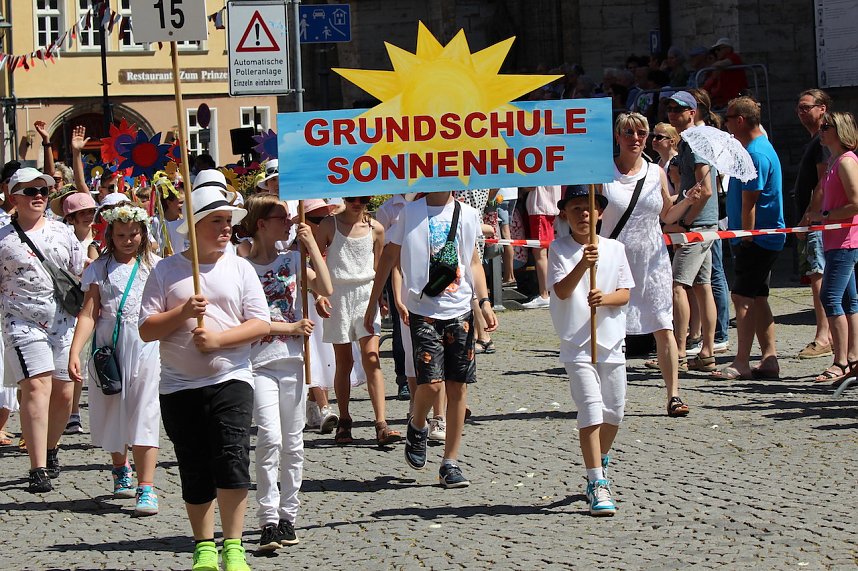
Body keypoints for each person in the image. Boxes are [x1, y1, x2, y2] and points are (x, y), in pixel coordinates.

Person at [139, 183, 270, 571]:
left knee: (232, 458)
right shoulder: (165, 270)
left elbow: (260, 323)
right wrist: (181, 313)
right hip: (179, 385)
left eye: (228, 220)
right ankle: (204, 546)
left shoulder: (239, 267)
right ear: (194, 226)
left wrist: (218, 341)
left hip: (232, 377)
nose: (226, 227)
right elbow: (146, 329)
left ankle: (234, 545)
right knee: (194, 465)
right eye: (216, 221)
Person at [364, 190, 498, 488]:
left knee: (458, 386)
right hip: (423, 308)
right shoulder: (410, 213)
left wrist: (485, 301)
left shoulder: (468, 214)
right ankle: (417, 423)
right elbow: (389, 256)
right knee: (432, 383)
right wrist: (374, 301)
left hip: (460, 309)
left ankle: (450, 462)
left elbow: (473, 262)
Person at [241, 194, 333, 551]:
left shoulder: (293, 260)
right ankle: (267, 518)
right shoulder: (242, 267)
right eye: (282, 218)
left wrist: (312, 248)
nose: (289, 222)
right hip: (258, 362)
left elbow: (325, 287)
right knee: (269, 438)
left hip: (293, 361)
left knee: (293, 442)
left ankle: (287, 516)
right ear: (262, 224)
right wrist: (289, 327)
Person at [69, 202, 162, 515]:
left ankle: (146, 487)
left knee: (145, 408)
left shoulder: (155, 266)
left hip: (145, 342)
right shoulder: (99, 268)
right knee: (113, 405)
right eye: (121, 235)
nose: (127, 240)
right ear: (110, 234)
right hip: (109, 344)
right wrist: (75, 351)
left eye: (133, 234)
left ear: (143, 233)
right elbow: (89, 313)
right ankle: (121, 466)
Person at [600, 113, 695, 416]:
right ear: (617, 136)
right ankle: (609, 396)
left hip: (652, 262)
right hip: (615, 262)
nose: (636, 138)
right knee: (611, 331)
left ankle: (673, 395)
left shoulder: (656, 172)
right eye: (628, 132)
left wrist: (688, 200)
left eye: (641, 133)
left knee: (663, 325)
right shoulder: (603, 173)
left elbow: (666, 215)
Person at [548, 185, 634, 515]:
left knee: (615, 412)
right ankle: (597, 481)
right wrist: (583, 265)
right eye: (576, 209)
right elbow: (561, 290)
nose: (583, 214)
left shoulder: (615, 248)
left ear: (599, 213)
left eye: (589, 208)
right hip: (577, 343)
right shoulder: (559, 249)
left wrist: (605, 298)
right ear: (565, 215)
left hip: (610, 340)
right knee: (591, 409)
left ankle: (600, 457)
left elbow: (624, 293)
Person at [0, 167, 85, 493]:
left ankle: (50, 448)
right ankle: (37, 468)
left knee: (64, 394)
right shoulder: (3, 238)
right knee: (36, 387)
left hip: (62, 324)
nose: (38, 196)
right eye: (30, 191)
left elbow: (79, 272)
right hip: (21, 323)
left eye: (43, 191)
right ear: (14, 197)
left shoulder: (63, 232)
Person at [314, 196, 399, 446]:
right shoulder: (329, 225)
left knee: (371, 357)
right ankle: (344, 418)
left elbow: (379, 268)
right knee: (344, 361)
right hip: (337, 295)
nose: (358, 203)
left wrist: (380, 298)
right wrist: (318, 294)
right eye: (352, 198)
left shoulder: (376, 229)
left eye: (364, 199)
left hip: (366, 295)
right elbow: (314, 262)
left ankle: (381, 422)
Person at [712, 97, 785, 380]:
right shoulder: (756, 149)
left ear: (740, 120)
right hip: (761, 237)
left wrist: (745, 237)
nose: (726, 124)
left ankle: (741, 362)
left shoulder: (756, 154)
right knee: (758, 297)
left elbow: (749, 202)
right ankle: (769, 359)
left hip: (756, 238)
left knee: (742, 297)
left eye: (729, 119)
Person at [666, 91, 719, 372]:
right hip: (702, 224)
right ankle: (707, 353)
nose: (673, 113)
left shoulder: (695, 141)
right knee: (702, 286)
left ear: (692, 112)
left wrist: (686, 222)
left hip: (697, 226)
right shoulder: (689, 140)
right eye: (670, 108)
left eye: (679, 109)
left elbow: (706, 190)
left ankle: (679, 352)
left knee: (678, 286)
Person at [806, 111, 858, 383]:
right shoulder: (834, 162)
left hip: (845, 240)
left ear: (840, 131)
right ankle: (852, 358)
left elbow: (856, 203)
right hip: (836, 240)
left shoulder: (846, 162)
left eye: (826, 127)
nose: (821, 130)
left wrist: (824, 216)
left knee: (830, 297)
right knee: (848, 300)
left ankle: (841, 360)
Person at [794, 89, 833, 360]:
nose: (801, 112)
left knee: (818, 275)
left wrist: (809, 215)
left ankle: (824, 335)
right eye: (799, 107)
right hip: (816, 219)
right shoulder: (816, 140)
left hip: (818, 221)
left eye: (806, 107)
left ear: (822, 108)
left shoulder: (823, 140)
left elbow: (823, 181)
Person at [521, 185, 562, 308]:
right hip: (550, 206)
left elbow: (531, 185)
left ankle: (544, 294)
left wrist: (521, 188)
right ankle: (548, 293)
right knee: (546, 252)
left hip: (540, 207)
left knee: (540, 253)